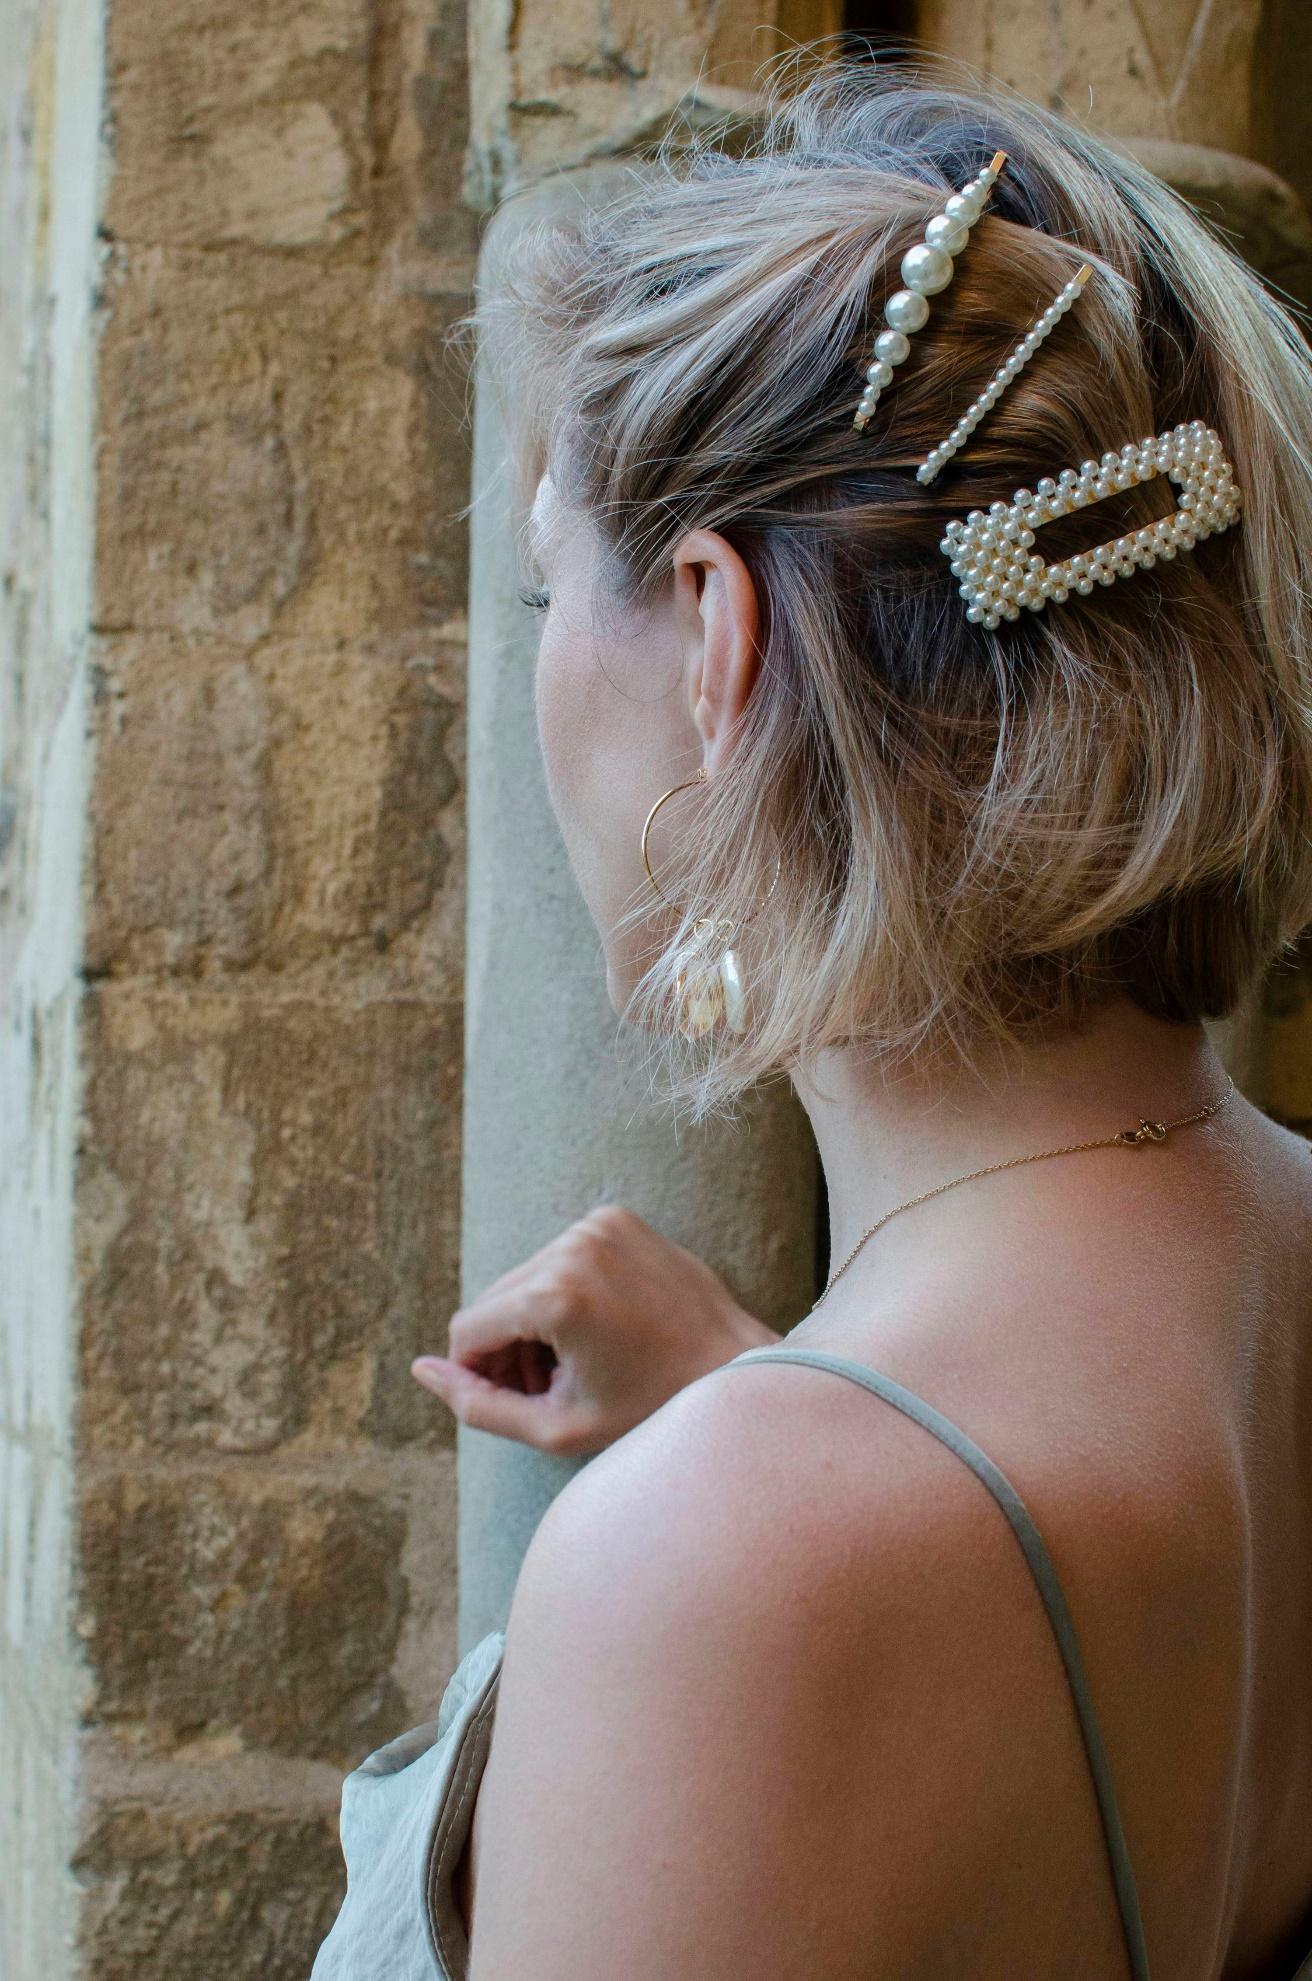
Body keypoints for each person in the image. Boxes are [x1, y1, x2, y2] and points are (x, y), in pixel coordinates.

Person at [313, 66, 1312, 1981]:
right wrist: (768, 1388)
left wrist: (750, 1470)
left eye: (548, 583)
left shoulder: (722, 1576)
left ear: (714, 634)